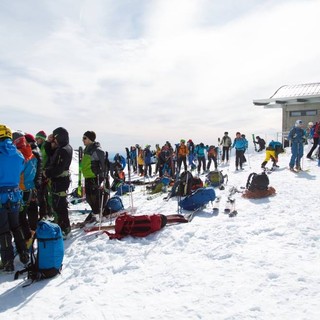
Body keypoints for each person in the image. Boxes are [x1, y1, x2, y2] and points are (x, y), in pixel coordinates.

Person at [0, 125, 29, 272]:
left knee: (3, 230)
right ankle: (24, 253)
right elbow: (21, 169)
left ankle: (7, 262)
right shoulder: (18, 154)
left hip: (1, 196)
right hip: (15, 195)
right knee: (16, 226)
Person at [43, 127, 73, 238]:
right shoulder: (64, 147)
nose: (54, 140)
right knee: (58, 204)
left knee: (60, 206)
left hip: (59, 181)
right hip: (61, 181)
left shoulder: (63, 149)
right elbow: (51, 153)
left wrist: (47, 173)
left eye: (55, 138)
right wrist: (48, 142)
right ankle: (62, 226)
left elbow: (58, 169)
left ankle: (65, 228)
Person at [13, 135, 41, 244]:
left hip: (22, 189)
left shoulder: (20, 157)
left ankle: (26, 237)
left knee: (21, 216)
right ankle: (30, 234)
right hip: (30, 188)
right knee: (26, 213)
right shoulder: (32, 155)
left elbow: (18, 174)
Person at [81, 131, 108, 224]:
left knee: (94, 197)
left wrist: (101, 175)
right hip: (88, 176)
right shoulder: (88, 149)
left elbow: (103, 164)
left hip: (94, 177)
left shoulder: (97, 150)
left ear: (90, 139)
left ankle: (97, 214)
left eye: (85, 138)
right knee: (88, 198)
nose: (83, 140)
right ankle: (95, 213)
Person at [35, 130, 52, 220]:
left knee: (45, 195)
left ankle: (47, 213)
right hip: (40, 173)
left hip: (45, 173)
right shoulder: (38, 147)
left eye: (38, 138)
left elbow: (49, 158)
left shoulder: (45, 146)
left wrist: (47, 171)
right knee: (41, 194)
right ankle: (44, 213)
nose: (36, 139)